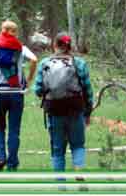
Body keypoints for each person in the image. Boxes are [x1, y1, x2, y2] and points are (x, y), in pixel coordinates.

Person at [0, 20, 37, 171]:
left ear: (2, 30)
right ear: (15, 32)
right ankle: (12, 163)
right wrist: (29, 78)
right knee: (14, 129)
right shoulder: (21, 49)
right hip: (17, 94)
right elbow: (34, 60)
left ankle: (0, 157)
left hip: (0, 94)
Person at [33, 32, 94, 172]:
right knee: (78, 145)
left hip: (54, 112)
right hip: (75, 110)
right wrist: (88, 111)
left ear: (54, 45)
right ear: (69, 46)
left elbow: (37, 90)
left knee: (57, 150)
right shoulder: (79, 63)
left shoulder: (44, 63)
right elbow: (88, 90)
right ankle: (79, 170)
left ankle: (61, 185)